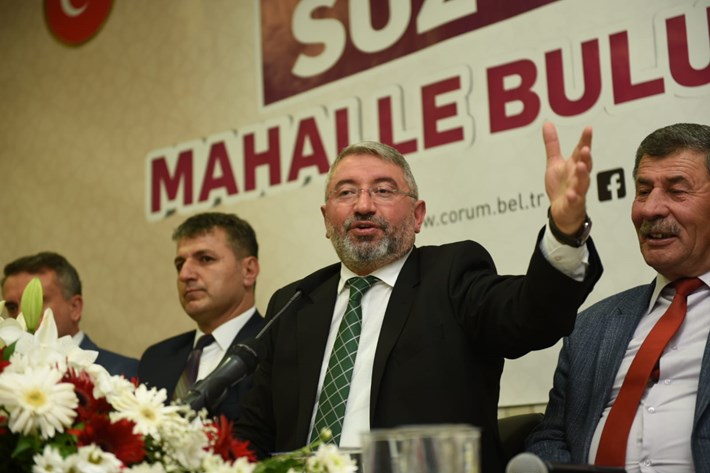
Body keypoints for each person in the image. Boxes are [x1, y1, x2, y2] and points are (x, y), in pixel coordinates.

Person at [233, 122, 603, 473]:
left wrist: (564, 231)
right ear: (326, 219)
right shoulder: (294, 302)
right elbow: (255, 432)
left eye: (383, 190)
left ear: (418, 215)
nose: (363, 205)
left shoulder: (452, 274)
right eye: (346, 192)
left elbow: (530, 317)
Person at [526, 123, 710, 472]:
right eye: (643, 191)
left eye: (676, 191)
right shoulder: (590, 327)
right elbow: (550, 438)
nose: (650, 209)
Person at [139, 212, 265, 420]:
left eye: (205, 259)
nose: (184, 275)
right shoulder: (156, 358)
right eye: (180, 264)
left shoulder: (276, 347)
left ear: (248, 271)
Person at [1, 251, 139, 378]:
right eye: (12, 307)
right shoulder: (5, 369)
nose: (20, 315)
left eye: (36, 302)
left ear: (75, 308)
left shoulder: (126, 372)